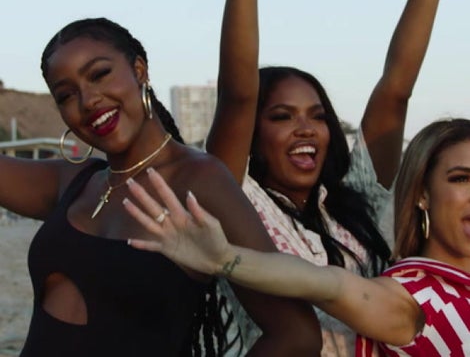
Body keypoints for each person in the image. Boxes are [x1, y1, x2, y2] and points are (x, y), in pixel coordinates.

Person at [201, 0, 470, 353]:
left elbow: (395, 88)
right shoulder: (236, 201)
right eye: (282, 116)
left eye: (318, 116)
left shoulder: (355, 204)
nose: (306, 128)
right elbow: (238, 96)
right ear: (253, 134)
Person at [0, 17, 321, 356]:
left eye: (99, 74)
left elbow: (297, 336)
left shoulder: (200, 180)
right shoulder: (74, 182)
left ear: (139, 70)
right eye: (66, 95)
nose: (88, 100)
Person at [124, 117, 470, 356]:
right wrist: (225, 259)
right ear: (422, 193)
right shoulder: (415, 300)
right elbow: (330, 285)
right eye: (461, 179)